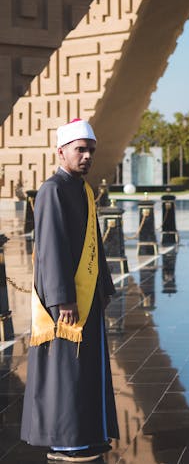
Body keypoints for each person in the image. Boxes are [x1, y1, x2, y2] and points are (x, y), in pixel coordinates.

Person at [21, 119, 118, 462]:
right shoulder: (53, 190)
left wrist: (104, 286)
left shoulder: (83, 189)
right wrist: (63, 298)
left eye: (91, 150)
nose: (87, 156)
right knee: (66, 370)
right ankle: (66, 439)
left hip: (87, 294)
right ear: (60, 152)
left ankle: (88, 432)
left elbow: (95, 245)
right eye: (80, 149)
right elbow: (50, 249)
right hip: (65, 300)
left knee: (85, 368)